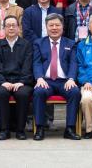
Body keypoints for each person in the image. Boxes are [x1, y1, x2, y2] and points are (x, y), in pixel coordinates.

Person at [32, 13, 82, 141]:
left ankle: (70, 128)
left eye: (57, 25)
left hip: (64, 81)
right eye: (51, 25)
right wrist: (39, 78)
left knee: (75, 92)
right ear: (46, 27)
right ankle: (40, 128)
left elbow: (73, 63)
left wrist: (71, 78)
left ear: (62, 27)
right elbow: (37, 62)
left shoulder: (71, 43)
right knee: (38, 92)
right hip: (46, 81)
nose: (54, 28)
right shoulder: (39, 43)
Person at [0, 16, 34, 140]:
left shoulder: (26, 45)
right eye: (8, 25)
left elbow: (28, 66)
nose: (11, 28)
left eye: (13, 25)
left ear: (18, 28)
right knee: (0, 93)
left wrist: (22, 82)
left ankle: (20, 130)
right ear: (3, 28)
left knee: (23, 94)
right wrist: (2, 82)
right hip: (3, 82)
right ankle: (4, 130)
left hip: (22, 82)